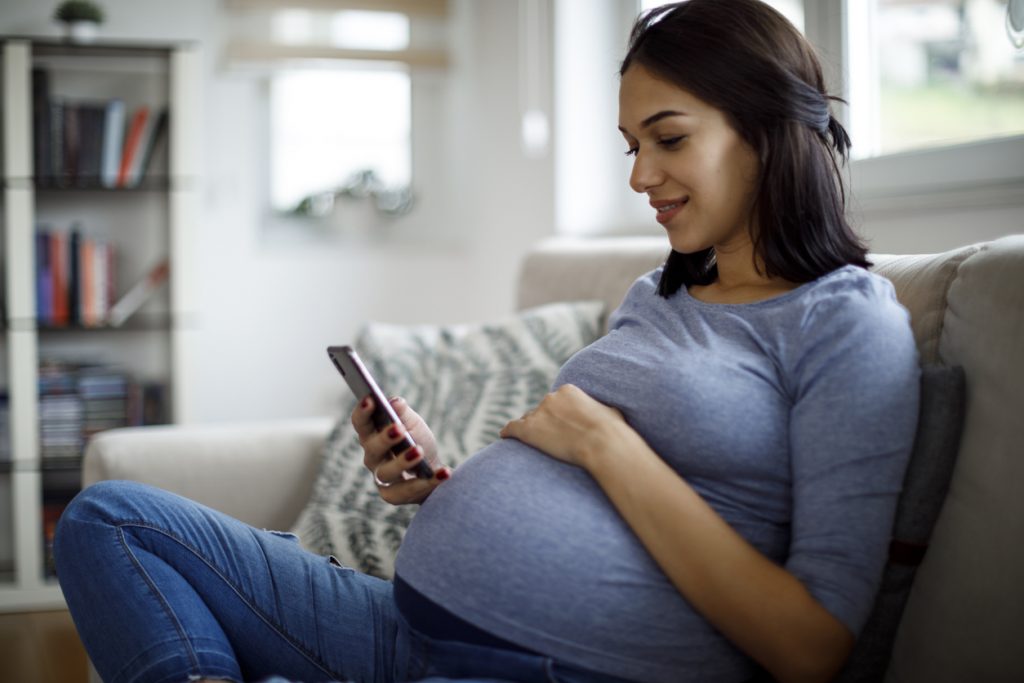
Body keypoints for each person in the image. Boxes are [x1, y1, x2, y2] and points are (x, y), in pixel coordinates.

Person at [54, 1, 921, 682]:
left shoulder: (847, 323)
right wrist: (445, 483)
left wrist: (606, 444)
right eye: (630, 145)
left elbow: (812, 648)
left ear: (767, 130)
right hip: (409, 627)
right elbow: (577, 507)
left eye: (669, 139)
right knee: (109, 517)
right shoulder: (660, 292)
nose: (639, 176)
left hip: (566, 667)